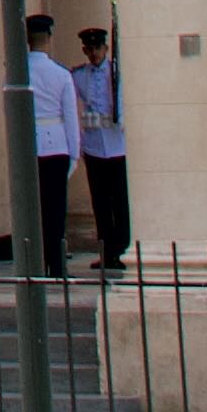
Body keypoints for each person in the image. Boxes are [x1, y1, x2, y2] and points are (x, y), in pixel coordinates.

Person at [75, 23, 135, 273]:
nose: (94, 53)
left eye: (98, 48)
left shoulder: (117, 73)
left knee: (120, 202)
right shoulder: (78, 75)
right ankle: (106, 250)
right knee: (100, 203)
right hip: (94, 145)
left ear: (106, 48)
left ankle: (121, 249)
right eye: (89, 49)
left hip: (116, 144)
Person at [27, 15, 80, 273]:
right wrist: (74, 153)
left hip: (29, 147)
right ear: (49, 37)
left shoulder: (17, 71)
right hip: (57, 145)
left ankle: (37, 262)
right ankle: (57, 265)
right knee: (56, 209)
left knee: (33, 208)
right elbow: (70, 117)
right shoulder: (60, 74)